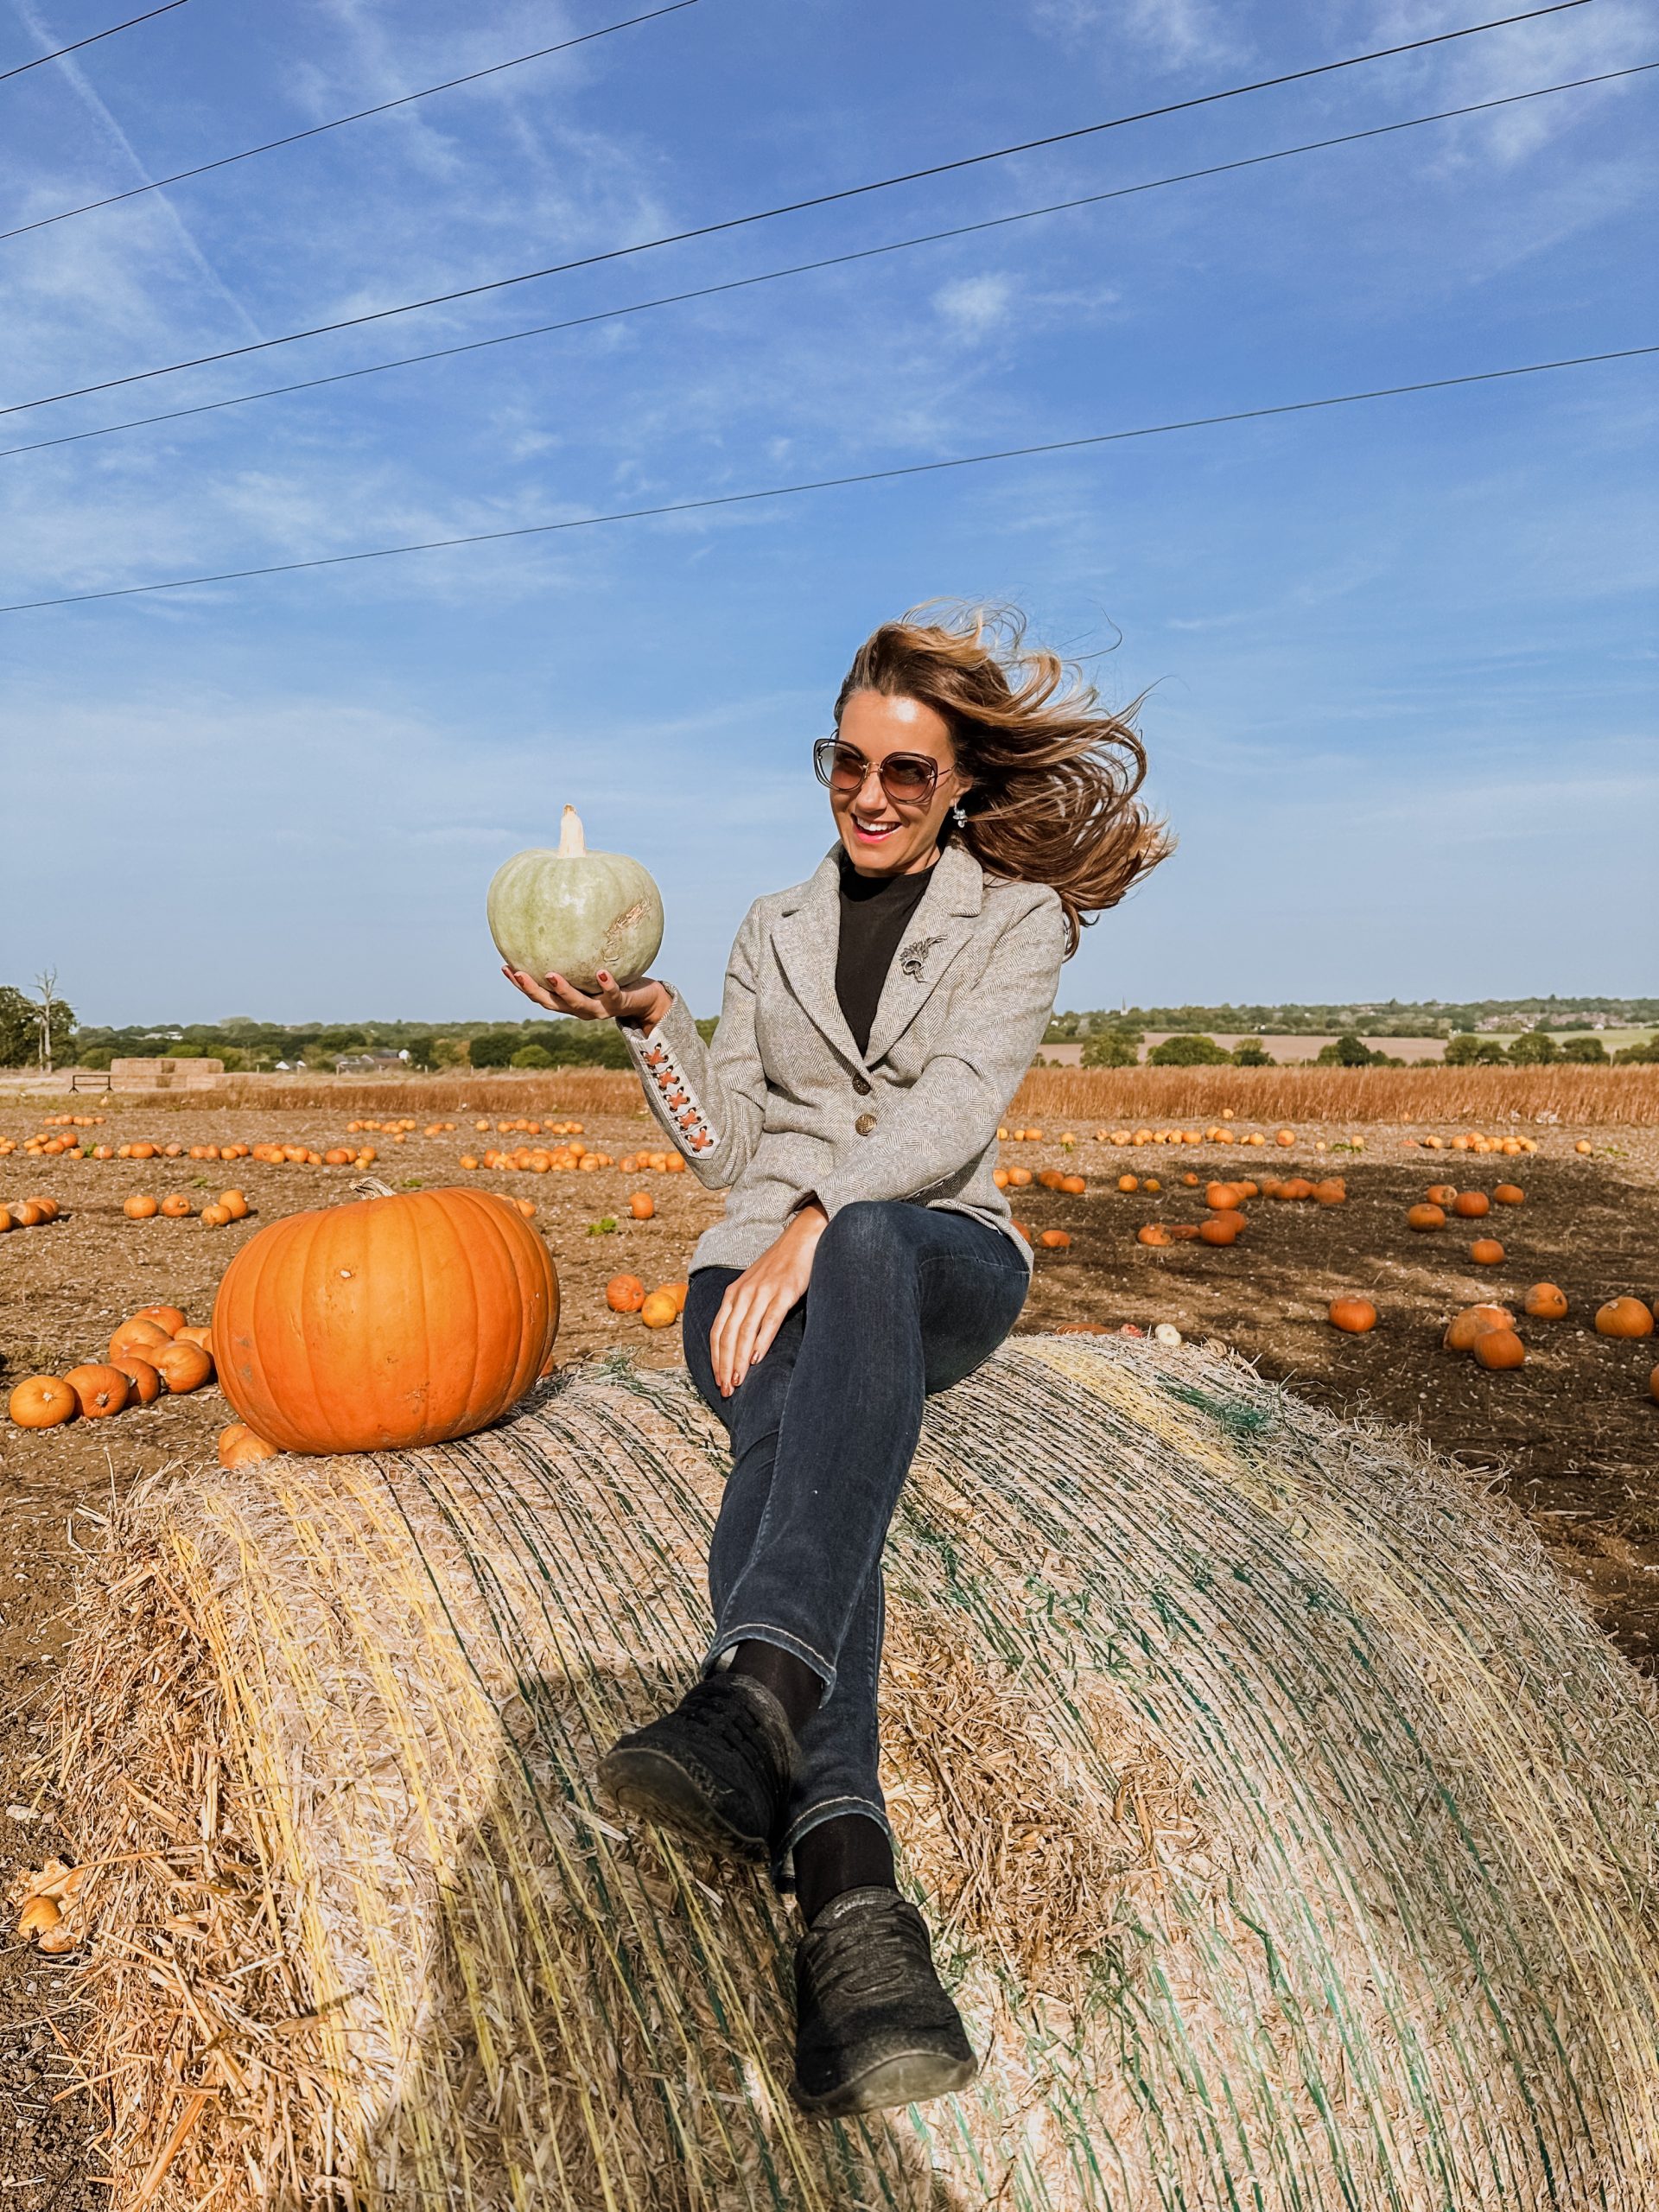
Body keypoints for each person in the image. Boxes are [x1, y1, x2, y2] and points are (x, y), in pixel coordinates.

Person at [504, 605, 1169, 2119]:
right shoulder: (768, 929)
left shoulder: (1016, 918)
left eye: (907, 774)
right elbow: (722, 1148)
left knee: (863, 1252)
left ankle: (756, 1694)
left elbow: (952, 1112)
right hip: (754, 1282)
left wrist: (817, 1214)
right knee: (796, 1436)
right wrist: (654, 1023)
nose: (870, 796)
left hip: (933, 1258)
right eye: (848, 762)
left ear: (958, 785)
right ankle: (850, 1897)